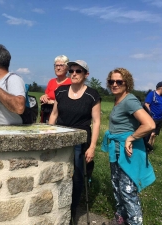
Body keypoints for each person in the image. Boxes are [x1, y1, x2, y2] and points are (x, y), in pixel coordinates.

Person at [48, 60, 101, 224]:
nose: (74, 74)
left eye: (79, 71)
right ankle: (55, 208)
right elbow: (54, 115)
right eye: (71, 70)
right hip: (61, 139)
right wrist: (49, 136)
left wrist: (92, 147)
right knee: (57, 174)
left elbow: (97, 122)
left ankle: (71, 213)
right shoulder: (61, 91)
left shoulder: (92, 94)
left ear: (86, 75)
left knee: (77, 177)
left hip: (80, 141)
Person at [102, 68, 155, 225]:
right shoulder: (118, 99)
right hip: (117, 152)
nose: (115, 84)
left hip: (128, 153)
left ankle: (134, 222)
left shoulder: (129, 100)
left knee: (128, 192)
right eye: (112, 81)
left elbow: (149, 124)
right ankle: (121, 219)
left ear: (127, 83)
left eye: (119, 81)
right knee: (118, 188)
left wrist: (130, 138)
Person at [39, 55, 71, 123]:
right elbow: (47, 95)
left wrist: (53, 102)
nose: (58, 68)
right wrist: (43, 97)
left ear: (67, 68)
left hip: (61, 118)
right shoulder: (51, 81)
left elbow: (70, 103)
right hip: (46, 114)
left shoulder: (70, 83)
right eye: (56, 65)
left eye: (61, 65)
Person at [144, 81, 162, 148]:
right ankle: (147, 148)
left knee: (154, 134)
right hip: (153, 118)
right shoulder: (152, 94)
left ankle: (151, 148)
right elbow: (147, 104)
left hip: (160, 118)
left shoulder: (161, 97)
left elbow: (161, 106)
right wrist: (150, 115)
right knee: (151, 134)